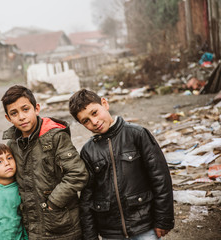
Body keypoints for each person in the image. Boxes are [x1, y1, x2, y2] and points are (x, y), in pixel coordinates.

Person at [0, 85, 89, 239]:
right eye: (14, 113)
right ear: (8, 118)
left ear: (36, 109)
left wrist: (53, 202)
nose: (21, 117)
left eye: (25, 109)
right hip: (32, 230)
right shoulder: (13, 145)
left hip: (62, 227)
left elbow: (78, 173)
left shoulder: (56, 137)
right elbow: (6, 171)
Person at [68, 89, 175, 240]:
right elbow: (87, 198)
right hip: (110, 232)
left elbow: (160, 178)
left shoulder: (137, 135)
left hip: (144, 226)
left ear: (104, 104)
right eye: (86, 121)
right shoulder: (88, 151)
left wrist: (163, 219)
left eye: (94, 113)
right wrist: (90, 236)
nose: (94, 122)